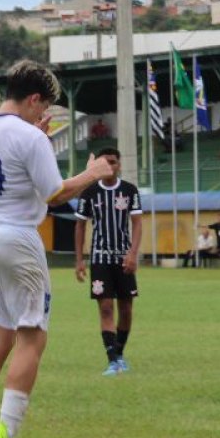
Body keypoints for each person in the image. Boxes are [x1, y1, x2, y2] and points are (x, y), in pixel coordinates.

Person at [0, 60, 115, 438]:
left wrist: (34, 137)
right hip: (17, 239)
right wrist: (93, 173)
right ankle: (5, 432)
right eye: (44, 109)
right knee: (32, 336)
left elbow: (11, 166)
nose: (43, 118)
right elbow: (55, 193)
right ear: (35, 98)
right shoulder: (28, 135)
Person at [74, 147, 143, 376]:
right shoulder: (89, 192)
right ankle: (112, 360)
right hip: (100, 257)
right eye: (105, 162)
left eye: (113, 162)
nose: (110, 167)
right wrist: (79, 260)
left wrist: (133, 254)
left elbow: (137, 224)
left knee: (126, 308)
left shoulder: (129, 191)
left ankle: (120, 353)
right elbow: (80, 225)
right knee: (105, 307)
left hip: (123, 257)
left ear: (119, 164)